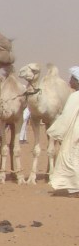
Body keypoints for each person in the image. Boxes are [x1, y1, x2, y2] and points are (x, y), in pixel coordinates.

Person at [46, 67, 79, 196]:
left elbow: (66, 116)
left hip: (75, 132)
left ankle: (76, 188)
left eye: (72, 79)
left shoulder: (75, 96)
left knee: (72, 158)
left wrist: (55, 132)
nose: (69, 81)